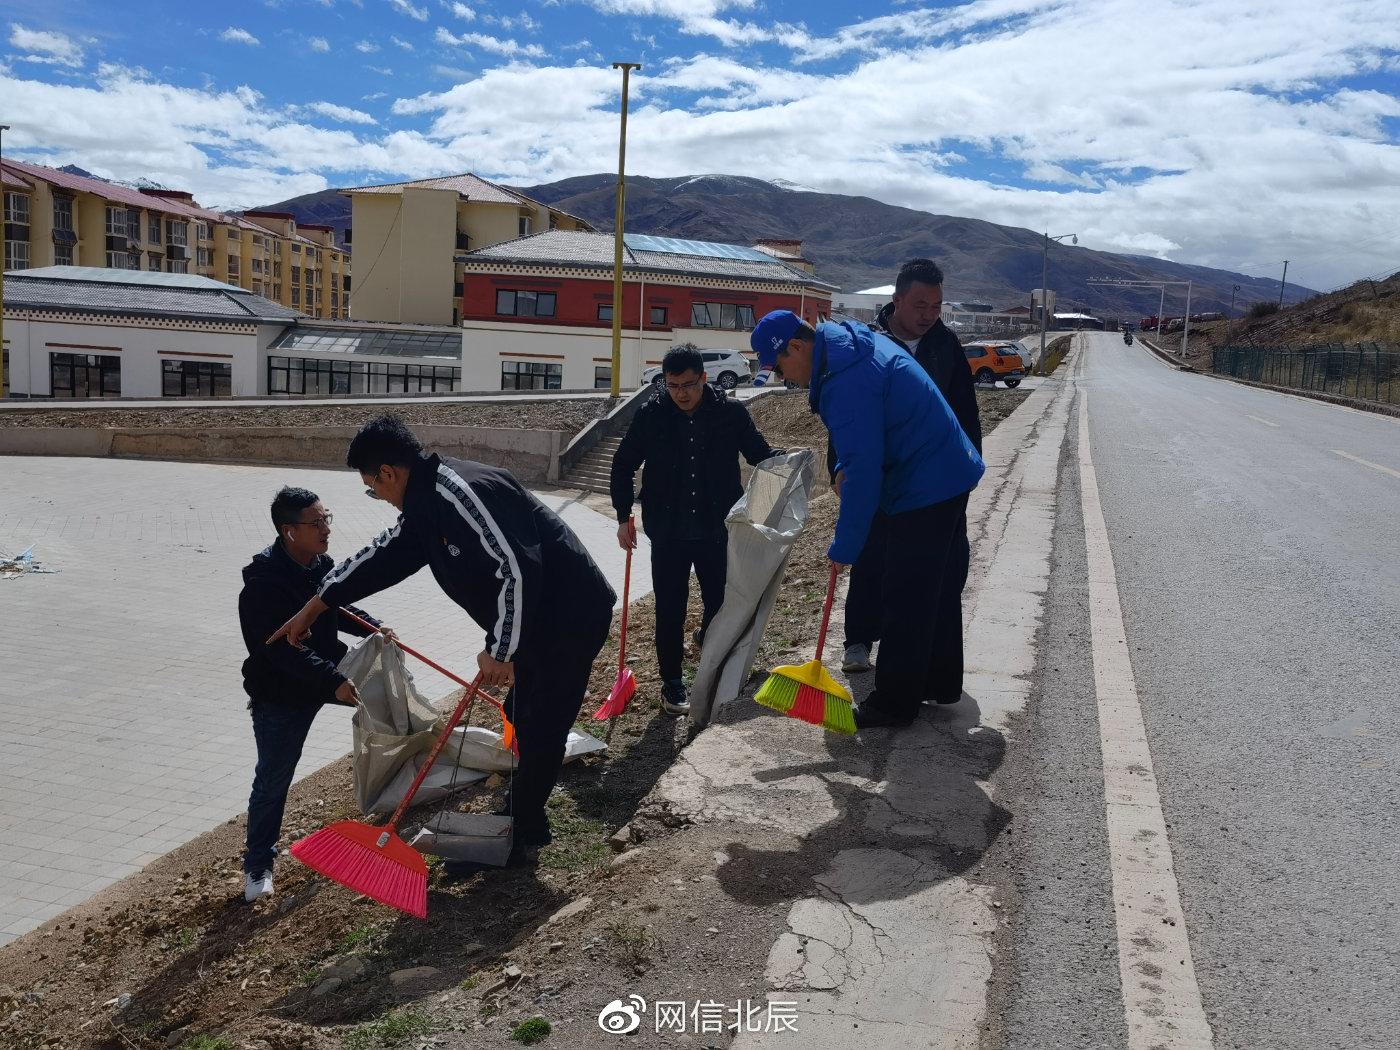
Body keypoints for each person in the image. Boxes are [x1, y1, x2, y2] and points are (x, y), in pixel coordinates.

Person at [268, 416, 616, 866]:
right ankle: (519, 814)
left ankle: (520, 837)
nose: (379, 497)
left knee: (541, 723)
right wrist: (317, 604)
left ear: (389, 473)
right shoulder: (424, 505)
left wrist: (500, 650)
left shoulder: (462, 494)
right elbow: (381, 556)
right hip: (535, 619)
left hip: (569, 617)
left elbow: (518, 569)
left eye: (374, 488)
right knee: (525, 717)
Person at [751, 311, 984, 729]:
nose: (784, 376)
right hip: (943, 469)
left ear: (799, 347)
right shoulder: (847, 349)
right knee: (932, 586)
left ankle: (894, 705)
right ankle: (936, 681)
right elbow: (865, 441)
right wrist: (841, 466)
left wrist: (845, 547)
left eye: (780, 365)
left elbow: (863, 471)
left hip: (926, 482)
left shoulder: (846, 379)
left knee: (905, 592)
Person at [836, 258, 982, 714]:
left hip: (935, 484)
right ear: (896, 300)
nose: (928, 314)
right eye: (920, 304)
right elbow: (846, 419)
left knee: (939, 574)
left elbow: (965, 417)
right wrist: (840, 467)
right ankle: (859, 639)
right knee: (873, 560)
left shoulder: (946, 346)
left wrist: (965, 474)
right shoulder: (867, 346)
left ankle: (931, 676)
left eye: (936, 306)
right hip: (883, 478)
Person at [237, 486, 391, 902]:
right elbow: (279, 652)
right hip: (282, 692)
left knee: (390, 708)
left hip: (325, 674)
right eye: (316, 523)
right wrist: (333, 683)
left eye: (327, 519)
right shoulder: (262, 586)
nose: (325, 529)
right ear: (289, 531)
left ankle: (400, 799)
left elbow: (336, 604)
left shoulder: (320, 564)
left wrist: (373, 627)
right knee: (274, 778)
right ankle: (258, 866)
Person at [610, 345, 780, 715]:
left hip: (716, 530)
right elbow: (622, 464)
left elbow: (760, 455)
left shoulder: (730, 414)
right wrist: (624, 515)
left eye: (689, 384)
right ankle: (672, 684)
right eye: (673, 386)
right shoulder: (651, 416)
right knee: (670, 609)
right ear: (664, 383)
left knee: (719, 605)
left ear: (704, 378)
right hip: (668, 532)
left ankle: (713, 655)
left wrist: (786, 467)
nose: (682, 394)